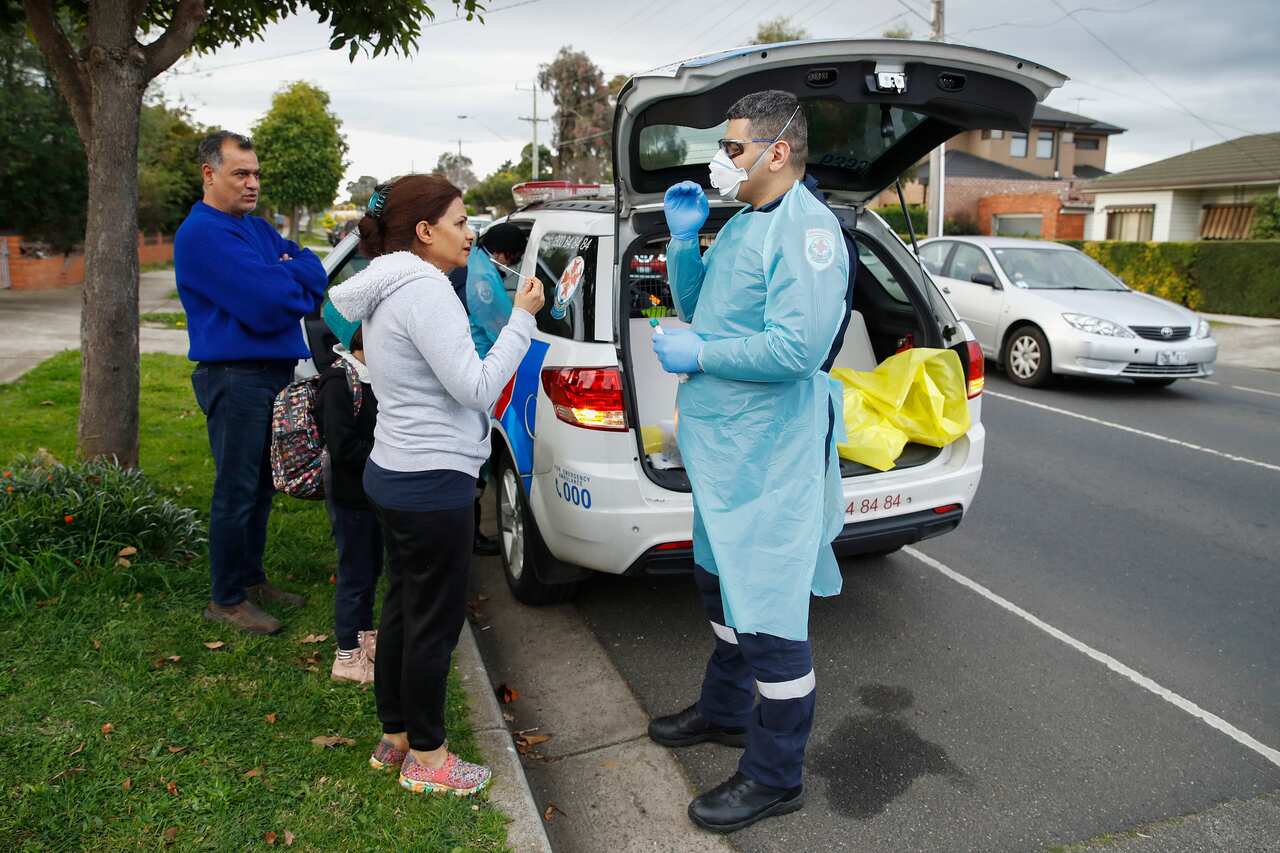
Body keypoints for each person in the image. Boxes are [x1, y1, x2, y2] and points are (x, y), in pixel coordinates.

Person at [648, 90, 851, 833]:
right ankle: (727, 710)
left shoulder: (807, 231)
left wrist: (702, 354)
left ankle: (775, 774)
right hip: (723, 454)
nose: (721, 160)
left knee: (768, 615)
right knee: (718, 583)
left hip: (768, 457)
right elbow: (700, 308)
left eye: (733, 148)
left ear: (778, 151)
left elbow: (797, 349)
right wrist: (683, 243)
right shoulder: (743, 222)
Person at [327, 174, 545, 797]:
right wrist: (521, 320)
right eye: (459, 221)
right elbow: (476, 387)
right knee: (433, 625)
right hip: (431, 480)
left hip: (396, 471)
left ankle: (396, 736)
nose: (470, 232)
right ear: (425, 231)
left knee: (404, 608)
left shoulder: (390, 283)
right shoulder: (425, 291)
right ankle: (429, 757)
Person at [175, 130, 325, 635]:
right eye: (241, 173)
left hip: (270, 374)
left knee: (262, 486)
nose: (252, 183)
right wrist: (288, 281)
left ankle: (251, 579)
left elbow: (314, 270)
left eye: (256, 173)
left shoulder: (255, 229)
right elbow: (266, 307)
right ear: (209, 174)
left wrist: (288, 274)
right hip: (235, 377)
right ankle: (226, 599)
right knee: (236, 489)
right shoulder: (203, 234)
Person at [446, 222, 528, 557]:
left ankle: (467, 535)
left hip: (469, 370)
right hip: (479, 372)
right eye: (514, 258)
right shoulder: (481, 278)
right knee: (474, 455)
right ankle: (469, 539)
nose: (512, 265)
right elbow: (505, 327)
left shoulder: (474, 265)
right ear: (504, 254)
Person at [317, 301, 381, 684]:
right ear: (360, 338)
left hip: (371, 496)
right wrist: (387, 451)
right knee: (354, 574)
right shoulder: (338, 383)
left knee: (370, 569)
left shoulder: (371, 376)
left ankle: (364, 638)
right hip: (350, 497)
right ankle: (346, 655)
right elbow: (343, 448)